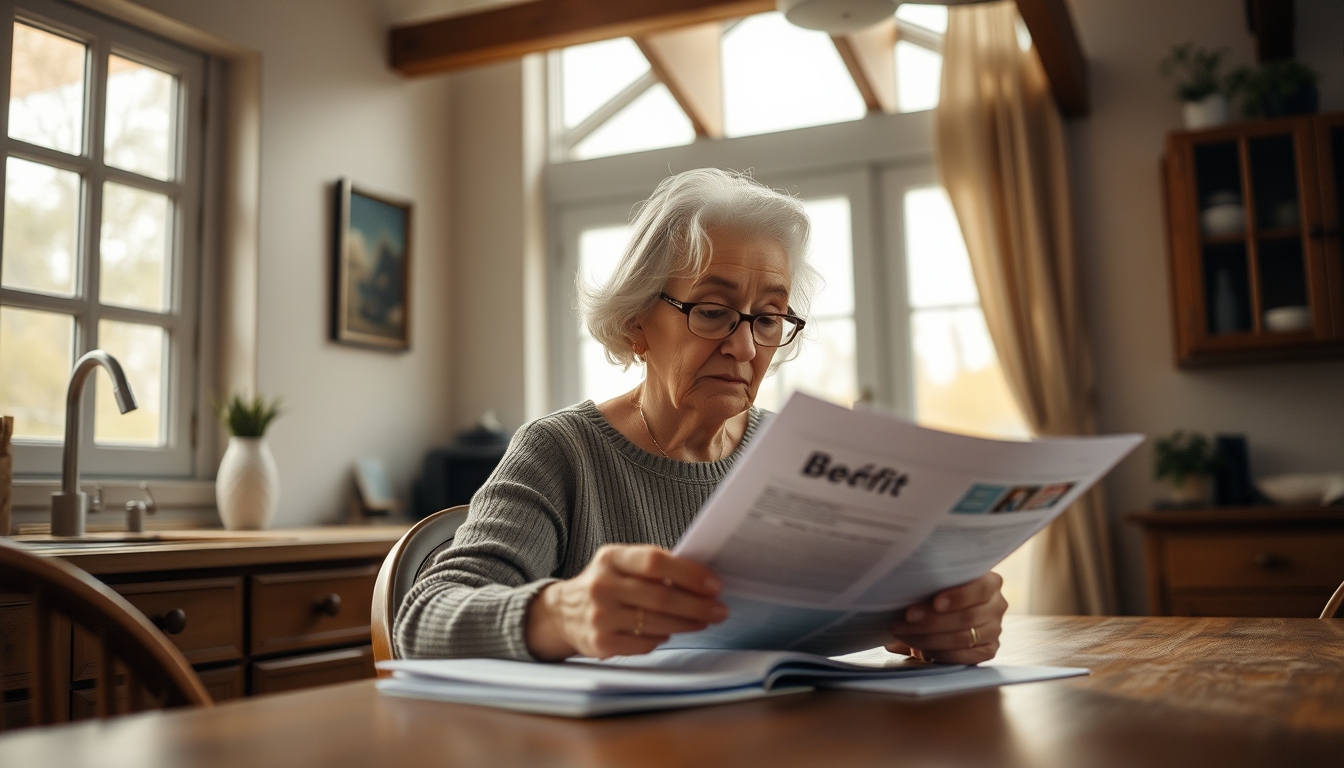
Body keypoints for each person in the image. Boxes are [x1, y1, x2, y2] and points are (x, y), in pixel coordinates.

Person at [395, 169, 1008, 663]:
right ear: (637, 323)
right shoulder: (562, 451)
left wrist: (942, 622)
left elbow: (865, 615)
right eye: (713, 311)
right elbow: (423, 619)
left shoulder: (799, 454)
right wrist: (564, 611)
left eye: (768, 318)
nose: (745, 347)